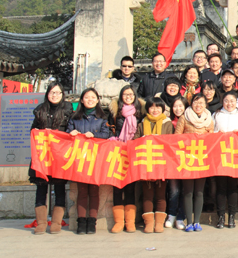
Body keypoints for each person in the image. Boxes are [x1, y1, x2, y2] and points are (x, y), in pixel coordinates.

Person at [29, 82, 73, 235]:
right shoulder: (40, 110)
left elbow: (70, 130)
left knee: (59, 188)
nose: (55, 95)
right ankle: (41, 223)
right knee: (41, 188)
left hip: (59, 156)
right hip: (43, 156)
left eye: (57, 92)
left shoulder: (68, 110)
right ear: (47, 94)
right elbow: (32, 131)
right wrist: (41, 132)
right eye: (52, 92)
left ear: (62, 94)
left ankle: (56, 222)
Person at [67, 88, 110, 234]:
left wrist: (95, 135)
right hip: (79, 158)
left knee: (94, 191)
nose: (90, 100)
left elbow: (106, 135)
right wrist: (70, 134)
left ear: (97, 100)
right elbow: (66, 134)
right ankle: (81, 222)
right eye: (87, 97)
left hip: (95, 159)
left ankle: (92, 222)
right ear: (82, 100)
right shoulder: (74, 118)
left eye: (93, 97)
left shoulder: (102, 118)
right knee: (82, 191)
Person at [176, 94, 215, 231]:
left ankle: (197, 221)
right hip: (187, 159)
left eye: (201, 103)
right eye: (196, 102)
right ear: (191, 103)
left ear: (206, 105)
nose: (198, 105)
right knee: (188, 191)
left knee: (199, 191)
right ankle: (189, 222)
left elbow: (212, 139)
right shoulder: (184, 118)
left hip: (201, 159)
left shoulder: (209, 119)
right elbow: (176, 138)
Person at [134, 97, 173, 233]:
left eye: (158, 107)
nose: (155, 110)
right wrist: (142, 140)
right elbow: (135, 141)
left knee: (161, 194)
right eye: (152, 107)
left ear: (162, 109)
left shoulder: (167, 123)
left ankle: (159, 223)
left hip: (162, 163)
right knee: (147, 194)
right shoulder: (142, 123)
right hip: (146, 163)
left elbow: (171, 141)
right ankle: (149, 223)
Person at [108, 85, 143, 233]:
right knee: (117, 187)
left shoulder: (140, 113)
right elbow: (109, 129)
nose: (128, 97)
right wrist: (111, 138)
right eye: (125, 94)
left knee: (130, 187)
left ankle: (130, 221)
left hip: (133, 152)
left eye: (131, 94)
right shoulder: (115, 112)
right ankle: (118, 222)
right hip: (117, 152)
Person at [213, 91, 238, 229]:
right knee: (221, 187)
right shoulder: (216, 115)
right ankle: (221, 216)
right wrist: (217, 134)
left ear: (236, 102)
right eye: (226, 101)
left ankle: (232, 216)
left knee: (233, 187)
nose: (229, 104)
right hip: (220, 155)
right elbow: (210, 133)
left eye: (232, 101)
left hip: (235, 156)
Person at [165, 97, 188, 229]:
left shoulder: (189, 121)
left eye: (180, 106)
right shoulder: (167, 122)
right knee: (173, 189)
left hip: (186, 159)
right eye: (175, 106)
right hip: (171, 160)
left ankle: (180, 217)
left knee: (184, 190)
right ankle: (171, 214)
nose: (178, 109)